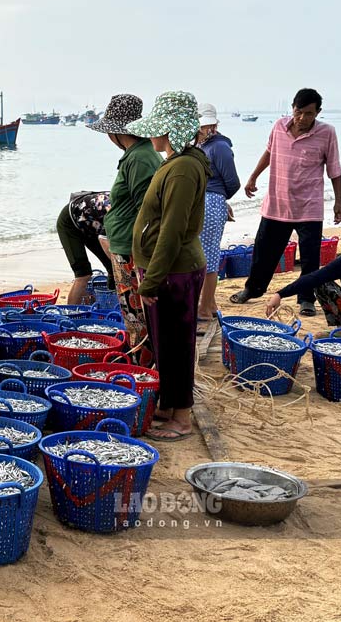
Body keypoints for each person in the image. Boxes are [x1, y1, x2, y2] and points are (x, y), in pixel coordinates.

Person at [125, 90, 210, 442]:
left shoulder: (183, 169)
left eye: (157, 128)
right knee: (165, 345)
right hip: (166, 269)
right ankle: (170, 404)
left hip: (173, 271)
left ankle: (182, 417)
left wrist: (151, 280)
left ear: (172, 130)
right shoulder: (177, 162)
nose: (152, 134)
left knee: (176, 345)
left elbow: (173, 229)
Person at [230, 88, 341, 317]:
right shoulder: (279, 127)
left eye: (309, 113)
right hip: (276, 204)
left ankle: (306, 300)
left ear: (318, 113)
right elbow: (269, 153)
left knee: (311, 259)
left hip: (309, 207)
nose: (302, 118)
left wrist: (338, 202)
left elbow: (334, 169)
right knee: (264, 253)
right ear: (292, 108)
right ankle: (252, 290)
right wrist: (253, 177)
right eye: (298, 112)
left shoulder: (327, 133)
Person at [78, 93, 162, 366]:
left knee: (136, 315)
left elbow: (146, 210)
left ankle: (142, 370)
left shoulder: (139, 158)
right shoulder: (136, 155)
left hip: (130, 249)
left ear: (115, 130)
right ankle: (141, 364)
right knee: (133, 314)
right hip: (125, 244)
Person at [195, 103, 240, 324]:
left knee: (208, 257)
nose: (205, 129)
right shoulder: (203, 145)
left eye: (207, 126)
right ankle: (210, 304)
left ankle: (203, 308)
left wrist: (219, 199)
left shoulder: (219, 147)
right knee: (202, 254)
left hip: (211, 201)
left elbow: (233, 182)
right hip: (205, 201)